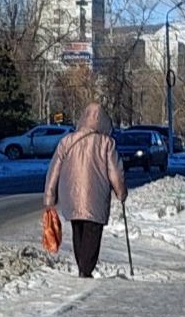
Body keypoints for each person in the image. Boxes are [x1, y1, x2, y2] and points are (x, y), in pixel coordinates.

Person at [43, 103, 126, 279]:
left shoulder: (66, 141)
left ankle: (82, 265)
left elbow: (54, 170)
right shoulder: (106, 143)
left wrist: (50, 197)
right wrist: (121, 192)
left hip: (71, 195)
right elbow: (115, 172)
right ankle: (85, 269)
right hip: (96, 196)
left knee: (78, 229)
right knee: (93, 231)